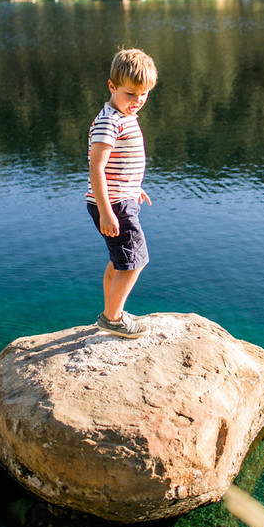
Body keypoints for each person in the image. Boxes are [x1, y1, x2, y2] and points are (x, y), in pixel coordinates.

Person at [86, 48, 158, 338]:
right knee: (134, 261)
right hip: (112, 204)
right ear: (112, 86)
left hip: (120, 198)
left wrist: (133, 187)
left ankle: (112, 311)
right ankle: (112, 318)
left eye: (143, 95)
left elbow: (120, 162)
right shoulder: (109, 121)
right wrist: (106, 210)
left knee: (120, 260)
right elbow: (96, 168)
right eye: (130, 94)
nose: (137, 102)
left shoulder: (125, 115)